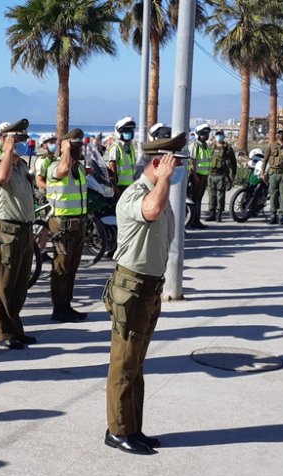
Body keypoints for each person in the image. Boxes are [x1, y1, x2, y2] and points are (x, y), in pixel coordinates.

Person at [103, 132, 185, 456]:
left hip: (149, 287)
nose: (178, 169)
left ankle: (133, 427)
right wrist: (164, 179)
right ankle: (117, 430)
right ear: (157, 162)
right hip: (131, 287)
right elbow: (150, 211)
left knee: (136, 364)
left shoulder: (159, 193)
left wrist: (164, 181)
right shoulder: (136, 194)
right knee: (123, 363)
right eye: (174, 163)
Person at [0, 119, 38, 350]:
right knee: (4, 283)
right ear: (7, 141)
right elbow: (0, 179)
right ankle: (4, 331)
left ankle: (16, 327)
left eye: (24, 139)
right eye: (18, 139)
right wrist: (7, 150)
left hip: (24, 229)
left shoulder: (22, 166)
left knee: (19, 283)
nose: (23, 143)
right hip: (6, 229)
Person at [47, 129, 89, 323]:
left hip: (78, 224)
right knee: (61, 268)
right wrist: (65, 150)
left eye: (79, 146)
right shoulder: (55, 166)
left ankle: (67, 305)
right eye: (75, 146)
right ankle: (59, 308)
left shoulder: (78, 168)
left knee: (72, 268)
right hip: (62, 226)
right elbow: (62, 171)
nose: (78, 149)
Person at [206, 130, 237, 223]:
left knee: (220, 196)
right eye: (217, 135)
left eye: (220, 135)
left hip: (221, 175)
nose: (219, 137)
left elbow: (233, 162)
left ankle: (219, 215)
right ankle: (212, 214)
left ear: (223, 136)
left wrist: (232, 176)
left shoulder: (227, 148)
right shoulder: (211, 147)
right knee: (211, 195)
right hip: (211, 174)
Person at [186, 124, 212, 229]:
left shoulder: (205, 146)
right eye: (203, 134)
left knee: (199, 199)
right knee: (194, 199)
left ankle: (197, 220)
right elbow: (192, 161)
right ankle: (193, 221)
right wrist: (195, 177)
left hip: (204, 176)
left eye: (206, 134)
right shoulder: (195, 145)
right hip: (196, 176)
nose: (205, 136)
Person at [106, 117, 138, 199]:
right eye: (126, 131)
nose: (129, 133)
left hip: (131, 185)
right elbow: (112, 168)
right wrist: (115, 189)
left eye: (130, 131)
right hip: (120, 186)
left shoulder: (130, 147)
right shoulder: (116, 147)